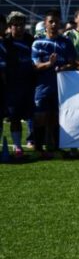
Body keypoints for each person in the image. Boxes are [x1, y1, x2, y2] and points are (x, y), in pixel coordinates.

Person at [31, 9, 77, 158]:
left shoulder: (66, 42)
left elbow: (73, 63)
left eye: (56, 22)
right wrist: (49, 64)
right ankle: (38, 149)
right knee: (40, 117)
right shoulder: (38, 43)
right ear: (45, 23)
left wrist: (63, 68)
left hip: (61, 88)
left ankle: (56, 148)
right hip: (43, 87)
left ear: (60, 23)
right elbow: (35, 66)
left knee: (57, 118)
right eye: (51, 22)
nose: (53, 24)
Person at [1, 11, 36, 158]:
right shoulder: (5, 42)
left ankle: (35, 143)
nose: (19, 28)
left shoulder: (31, 41)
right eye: (15, 25)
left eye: (21, 24)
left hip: (30, 84)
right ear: (10, 26)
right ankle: (17, 147)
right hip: (11, 86)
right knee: (14, 117)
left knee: (32, 116)